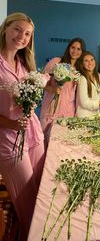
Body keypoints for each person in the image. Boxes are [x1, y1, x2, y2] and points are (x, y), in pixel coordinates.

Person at [0, 13, 46, 240]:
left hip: (33, 136)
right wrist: (10, 123)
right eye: (17, 29)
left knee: (42, 191)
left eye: (27, 33)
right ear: (6, 29)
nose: (22, 37)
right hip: (9, 143)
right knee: (28, 203)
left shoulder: (24, 65)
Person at [40, 37, 86, 139]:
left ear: (82, 52)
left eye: (79, 49)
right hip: (52, 106)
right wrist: (51, 89)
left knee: (61, 141)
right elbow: (41, 81)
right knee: (45, 138)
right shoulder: (57, 61)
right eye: (73, 47)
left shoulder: (80, 69)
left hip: (68, 110)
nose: (75, 51)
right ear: (68, 48)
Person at [76, 51, 100, 117]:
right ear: (82, 64)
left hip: (96, 114)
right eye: (86, 61)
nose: (90, 63)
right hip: (84, 116)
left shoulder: (97, 75)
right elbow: (84, 103)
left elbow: (96, 97)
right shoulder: (82, 79)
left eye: (92, 60)